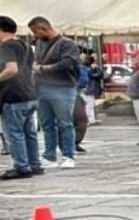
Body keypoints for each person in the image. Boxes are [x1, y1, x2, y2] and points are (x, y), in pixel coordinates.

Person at [28, 17, 79, 169]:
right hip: (41, 88)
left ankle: (68, 155)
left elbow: (69, 63)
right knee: (46, 124)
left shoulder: (67, 44)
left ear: (43, 28)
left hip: (62, 88)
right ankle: (49, 155)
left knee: (65, 123)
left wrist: (44, 68)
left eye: (35, 32)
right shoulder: (39, 44)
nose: (35, 36)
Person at [0, 16, 41, 180]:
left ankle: (22, 167)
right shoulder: (25, 46)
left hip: (13, 95)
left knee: (15, 133)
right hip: (29, 93)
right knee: (29, 132)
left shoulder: (6, 46)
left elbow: (11, 69)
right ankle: (34, 164)